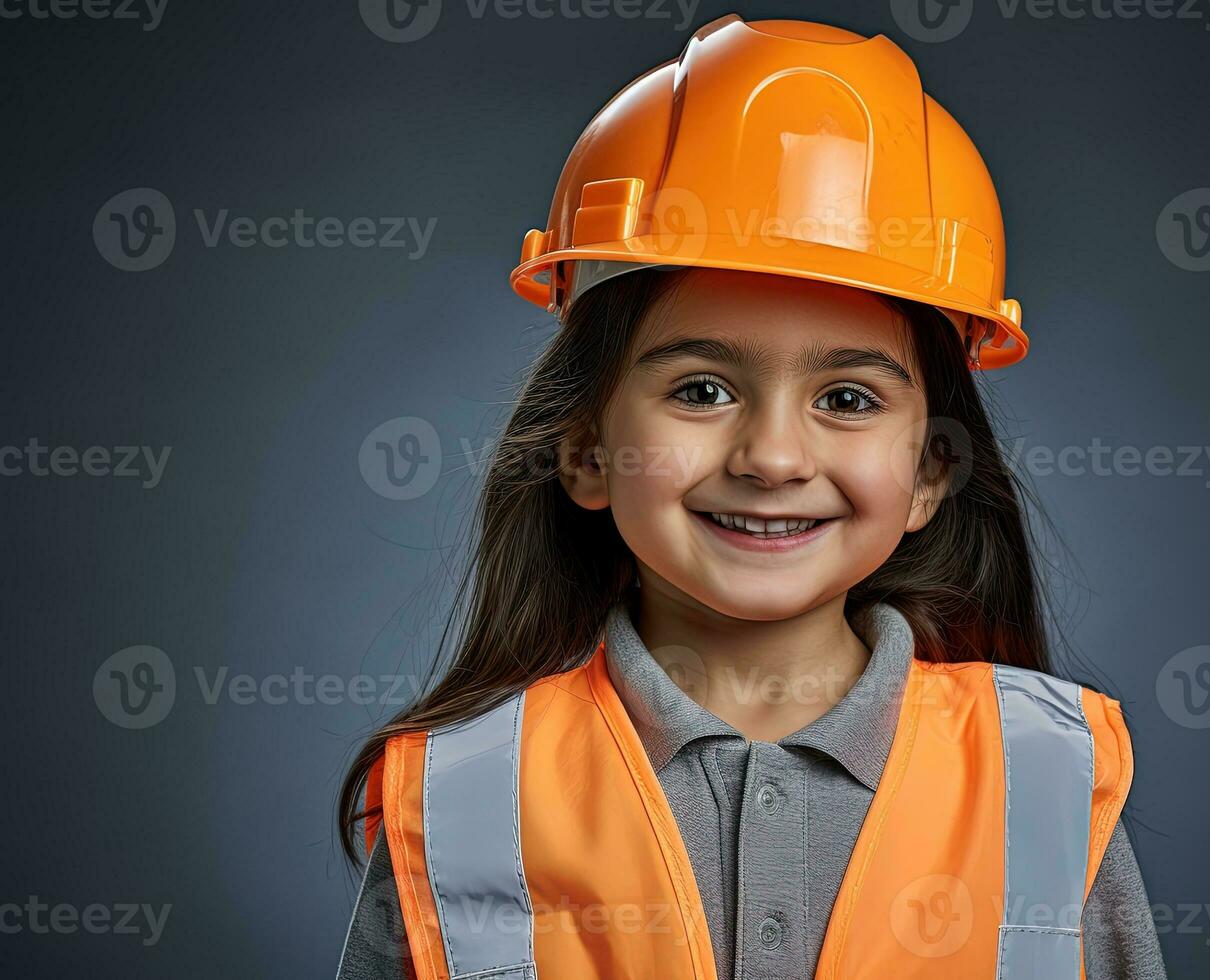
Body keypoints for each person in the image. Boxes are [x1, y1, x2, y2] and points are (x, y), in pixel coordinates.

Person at [335, 14, 1167, 980]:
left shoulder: (1045, 783)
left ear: (931, 474)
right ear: (586, 451)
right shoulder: (465, 799)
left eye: (847, 399)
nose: (773, 456)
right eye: (701, 390)